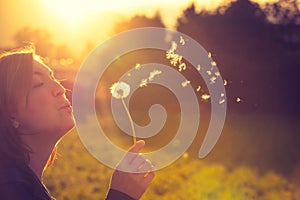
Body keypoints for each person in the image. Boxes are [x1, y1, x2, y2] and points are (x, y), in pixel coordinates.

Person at [0, 46, 155, 200]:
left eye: (54, 78)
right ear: (10, 113)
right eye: (38, 83)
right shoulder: (9, 188)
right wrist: (121, 195)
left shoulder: (20, 184)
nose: (60, 89)